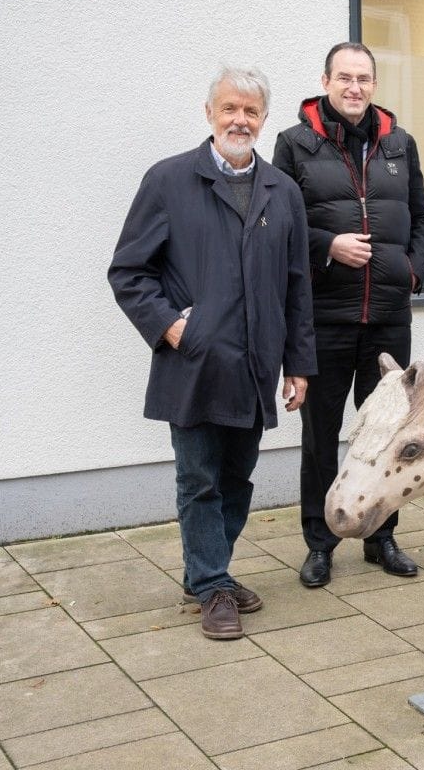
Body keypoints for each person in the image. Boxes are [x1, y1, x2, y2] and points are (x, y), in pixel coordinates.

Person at [109, 65, 316, 640]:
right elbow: (129, 271)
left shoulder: (284, 191)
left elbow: (298, 286)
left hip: (255, 365)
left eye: (250, 111)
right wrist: (173, 329)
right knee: (198, 479)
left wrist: (299, 363)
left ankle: (207, 571)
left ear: (263, 119)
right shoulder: (169, 181)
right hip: (194, 362)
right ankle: (211, 586)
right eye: (229, 109)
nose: (240, 120)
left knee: (238, 477)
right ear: (209, 114)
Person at [273, 42, 424, 587]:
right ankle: (319, 544)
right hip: (325, 316)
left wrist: (411, 271)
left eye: (364, 78)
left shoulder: (399, 142)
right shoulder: (295, 145)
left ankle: (381, 537)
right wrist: (328, 245)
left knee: (388, 436)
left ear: (374, 84)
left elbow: (422, 217)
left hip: (388, 317)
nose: (354, 88)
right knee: (321, 436)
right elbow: (282, 225)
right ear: (325, 80)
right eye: (344, 77)